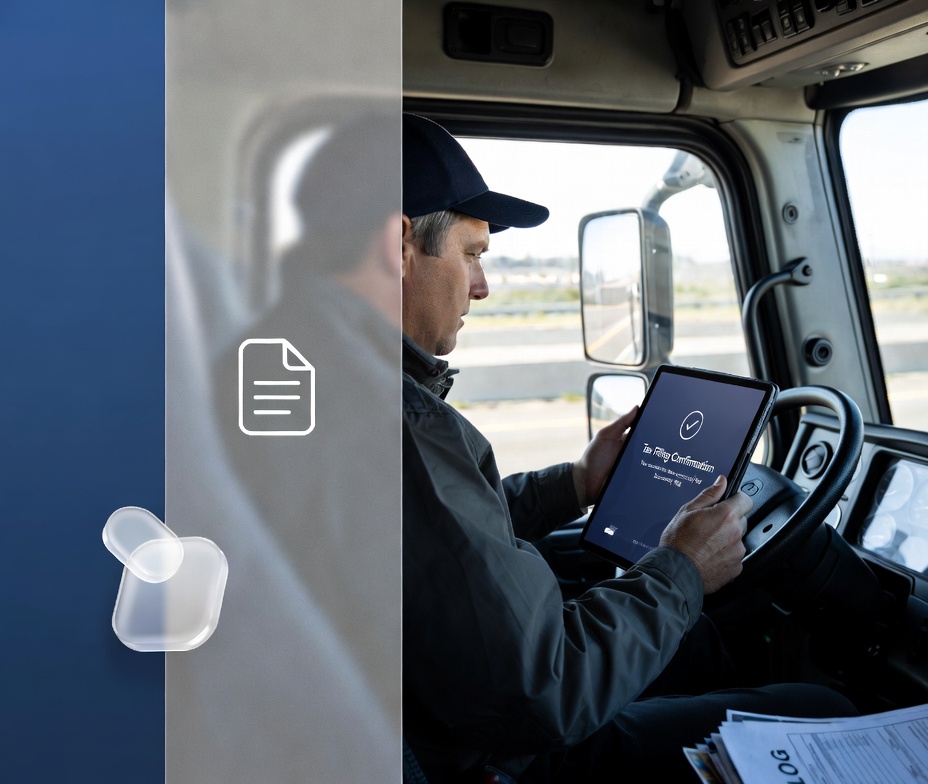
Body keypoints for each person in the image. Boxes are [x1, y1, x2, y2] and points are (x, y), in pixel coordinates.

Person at [225, 111, 854, 784]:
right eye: (471, 254)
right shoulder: (393, 418)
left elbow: (428, 545)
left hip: (397, 723)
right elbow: (545, 691)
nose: (482, 286)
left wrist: (575, 484)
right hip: (472, 760)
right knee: (822, 710)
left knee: (696, 648)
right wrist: (683, 569)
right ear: (398, 244)